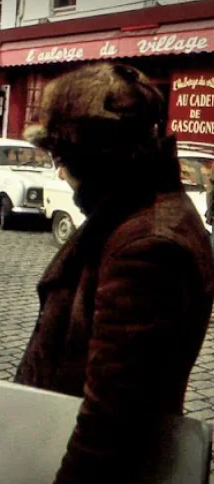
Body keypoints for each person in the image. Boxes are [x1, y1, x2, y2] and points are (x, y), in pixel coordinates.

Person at [17, 63, 214, 483]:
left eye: (61, 157)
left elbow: (111, 422)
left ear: (91, 157)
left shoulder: (148, 244)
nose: (59, 171)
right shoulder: (130, 209)